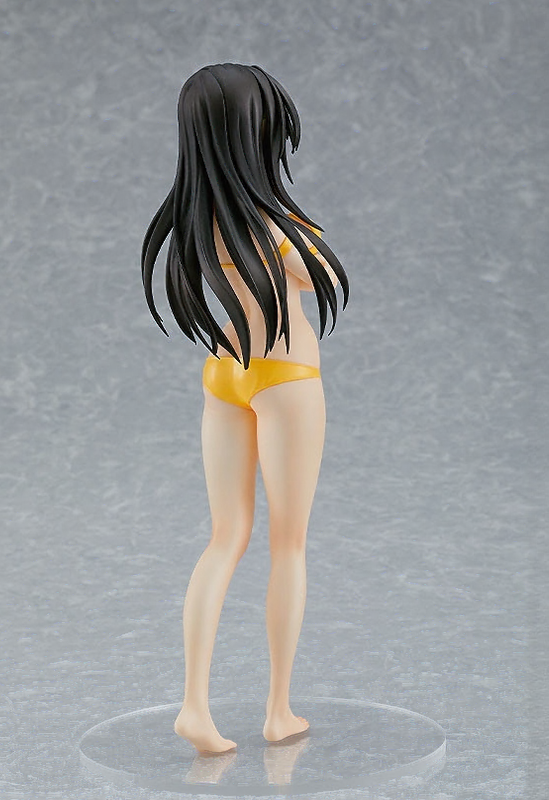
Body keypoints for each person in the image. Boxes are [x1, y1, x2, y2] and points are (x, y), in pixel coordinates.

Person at [141, 63, 349, 754]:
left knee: (224, 535)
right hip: (286, 375)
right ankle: (278, 711)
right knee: (287, 543)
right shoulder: (271, 223)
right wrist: (294, 227)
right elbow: (321, 269)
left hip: (224, 374)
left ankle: (194, 706)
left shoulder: (198, 219)